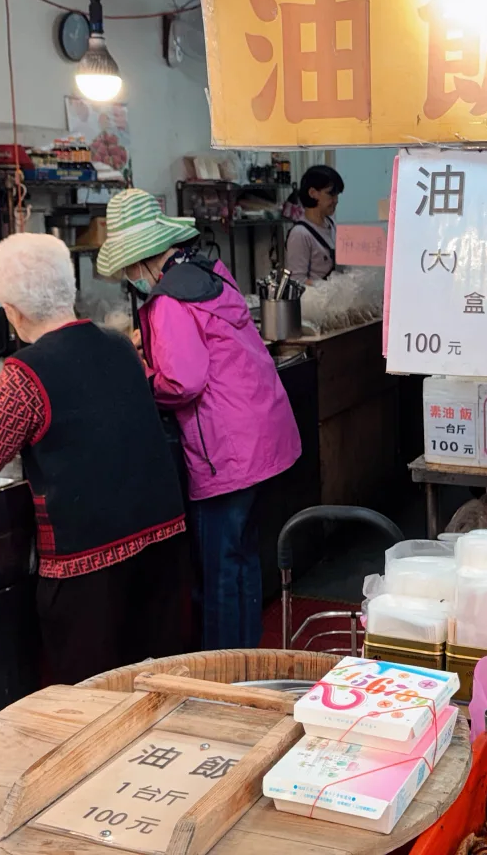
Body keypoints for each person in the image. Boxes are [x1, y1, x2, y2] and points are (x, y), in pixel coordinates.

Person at [0, 233, 192, 684]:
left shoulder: (25, 372)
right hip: (160, 536)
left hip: (89, 558)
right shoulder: (118, 345)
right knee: (157, 676)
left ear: (13, 311)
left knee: (94, 691)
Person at [98, 189, 302, 650]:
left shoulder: (168, 301)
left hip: (226, 454)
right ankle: (246, 659)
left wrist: (140, 376)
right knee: (242, 559)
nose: (132, 278)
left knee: (218, 571)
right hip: (262, 438)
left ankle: (224, 681)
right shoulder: (211, 273)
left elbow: (181, 382)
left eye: (131, 268)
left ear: (144, 259)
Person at [284, 164, 344, 283]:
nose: (336, 200)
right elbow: (297, 280)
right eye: (331, 194)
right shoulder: (300, 234)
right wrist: (328, 289)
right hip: (316, 301)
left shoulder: (332, 225)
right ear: (312, 193)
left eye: (337, 195)